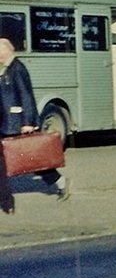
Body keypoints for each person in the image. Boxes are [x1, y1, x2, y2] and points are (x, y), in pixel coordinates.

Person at [0, 37, 69, 207]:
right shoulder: (7, 68)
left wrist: (28, 122)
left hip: (16, 122)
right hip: (6, 122)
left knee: (34, 159)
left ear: (5, 50)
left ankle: (61, 182)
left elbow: (26, 96)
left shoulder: (18, 68)